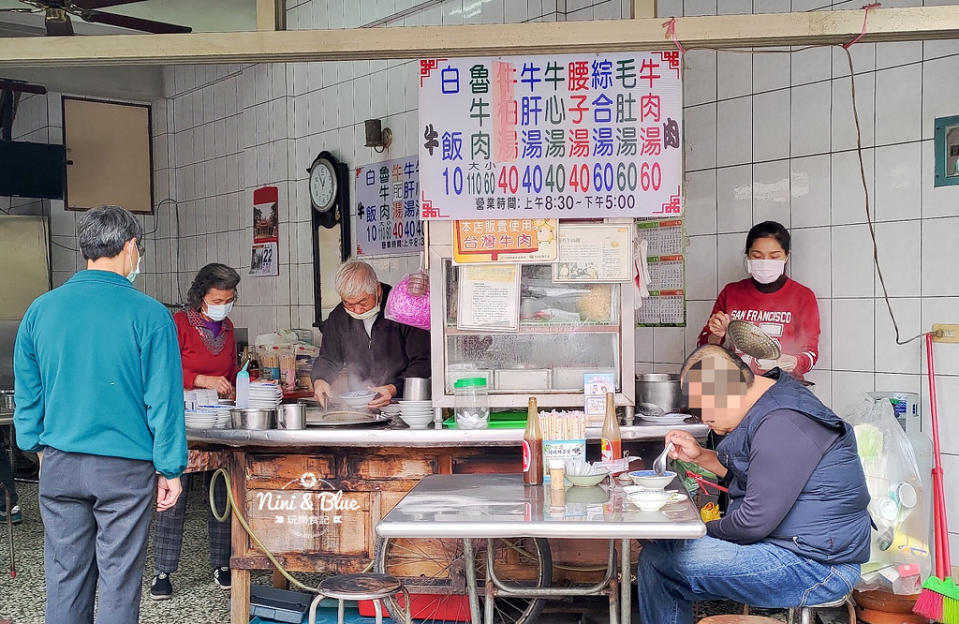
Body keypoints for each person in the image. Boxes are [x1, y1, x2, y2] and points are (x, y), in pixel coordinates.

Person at [13, 205, 186, 624]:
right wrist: (170, 469)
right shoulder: (150, 316)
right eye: (138, 249)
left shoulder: (41, 310)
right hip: (124, 472)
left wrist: (34, 445)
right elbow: (163, 399)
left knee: (66, 577)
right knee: (119, 581)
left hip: (58, 464)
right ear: (129, 247)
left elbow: (28, 391)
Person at [635, 345, 871, 624]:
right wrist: (700, 456)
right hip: (795, 549)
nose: (704, 420)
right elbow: (759, 474)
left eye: (703, 407)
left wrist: (696, 531)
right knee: (662, 555)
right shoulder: (772, 400)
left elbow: (752, 522)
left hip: (818, 567)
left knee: (660, 562)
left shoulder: (784, 423)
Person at [151, 263, 239, 600]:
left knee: (222, 492)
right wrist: (201, 380)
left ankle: (222, 563)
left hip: (216, 420)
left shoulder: (227, 327)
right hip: (181, 420)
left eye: (230, 298)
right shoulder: (177, 325)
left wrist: (232, 385)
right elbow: (163, 369)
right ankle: (163, 570)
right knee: (176, 490)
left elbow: (230, 368)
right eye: (218, 298)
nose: (224, 304)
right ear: (201, 296)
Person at [698, 221, 820, 381]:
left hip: (782, 387)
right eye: (757, 256)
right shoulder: (731, 292)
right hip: (734, 385)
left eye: (774, 256)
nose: (765, 262)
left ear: (786, 257)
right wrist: (716, 335)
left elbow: (810, 353)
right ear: (748, 256)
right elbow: (704, 348)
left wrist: (794, 362)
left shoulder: (803, 296)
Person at [312, 261, 430, 408]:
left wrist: (393, 388)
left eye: (363, 302)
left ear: (377, 289)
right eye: (349, 304)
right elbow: (329, 358)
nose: (357, 310)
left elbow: (423, 360)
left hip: (405, 403)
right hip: (361, 406)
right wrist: (320, 379)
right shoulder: (338, 317)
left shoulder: (402, 309)